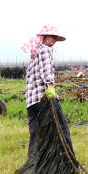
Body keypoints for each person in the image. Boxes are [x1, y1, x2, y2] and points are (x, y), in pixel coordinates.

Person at [23, 24, 66, 158]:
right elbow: (46, 71)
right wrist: (51, 87)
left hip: (31, 101)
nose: (54, 39)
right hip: (43, 98)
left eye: (55, 37)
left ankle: (33, 162)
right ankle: (59, 160)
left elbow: (30, 76)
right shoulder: (45, 50)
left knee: (35, 133)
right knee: (59, 130)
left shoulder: (35, 54)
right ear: (45, 37)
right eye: (52, 36)